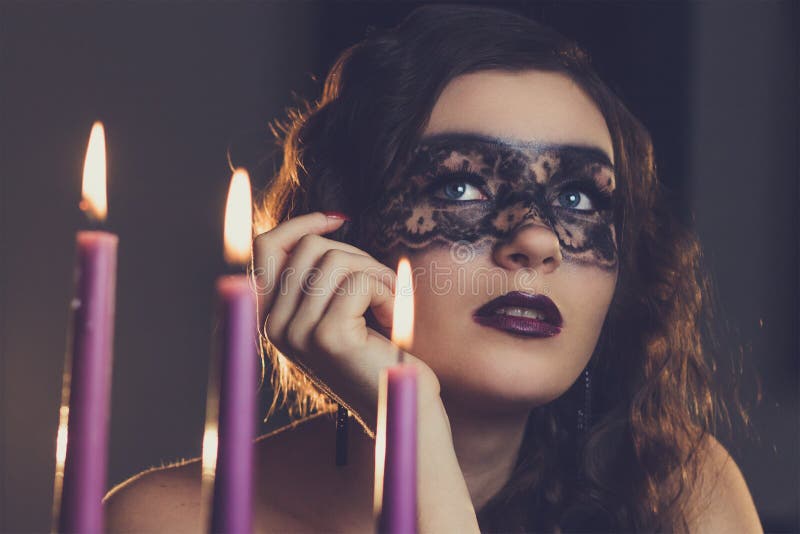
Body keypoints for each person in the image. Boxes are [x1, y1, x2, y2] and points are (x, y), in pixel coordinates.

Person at [103, 5, 763, 532]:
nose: (536, 241)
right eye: (460, 187)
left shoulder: (674, 494)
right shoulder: (174, 520)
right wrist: (407, 425)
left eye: (577, 197)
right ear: (347, 232)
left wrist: (420, 465)